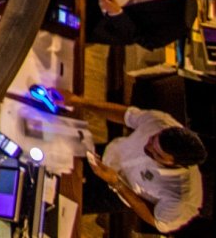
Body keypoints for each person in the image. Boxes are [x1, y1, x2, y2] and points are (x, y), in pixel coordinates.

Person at [65, 93, 206, 232]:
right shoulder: (161, 122)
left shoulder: (182, 198)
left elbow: (156, 221)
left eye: (156, 154)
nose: (147, 147)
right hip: (105, 154)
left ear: (175, 163)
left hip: (114, 193)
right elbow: (127, 115)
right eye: (152, 139)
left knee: (64, 201)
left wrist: (116, 183)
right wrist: (79, 101)